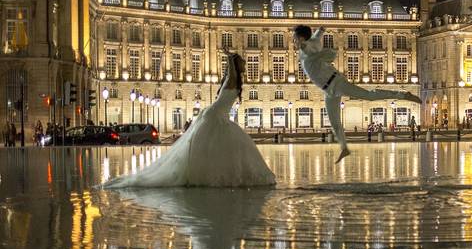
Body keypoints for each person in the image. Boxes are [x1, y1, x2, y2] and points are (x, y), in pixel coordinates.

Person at [103, 53, 275, 188]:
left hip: (219, 116)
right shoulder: (232, 78)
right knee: (212, 147)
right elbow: (230, 71)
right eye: (243, 62)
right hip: (214, 116)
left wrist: (232, 59)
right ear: (237, 65)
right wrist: (230, 59)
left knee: (216, 148)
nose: (246, 64)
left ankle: (212, 174)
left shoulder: (235, 80)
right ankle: (204, 176)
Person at [293, 25, 421, 162]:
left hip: (336, 83)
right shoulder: (312, 43)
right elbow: (316, 38)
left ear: (300, 38)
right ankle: (344, 148)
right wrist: (321, 30)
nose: (293, 41)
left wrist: (304, 46)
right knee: (334, 121)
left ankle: (403, 95)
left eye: (294, 38)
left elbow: (310, 47)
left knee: (369, 95)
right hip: (328, 90)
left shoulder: (306, 47)